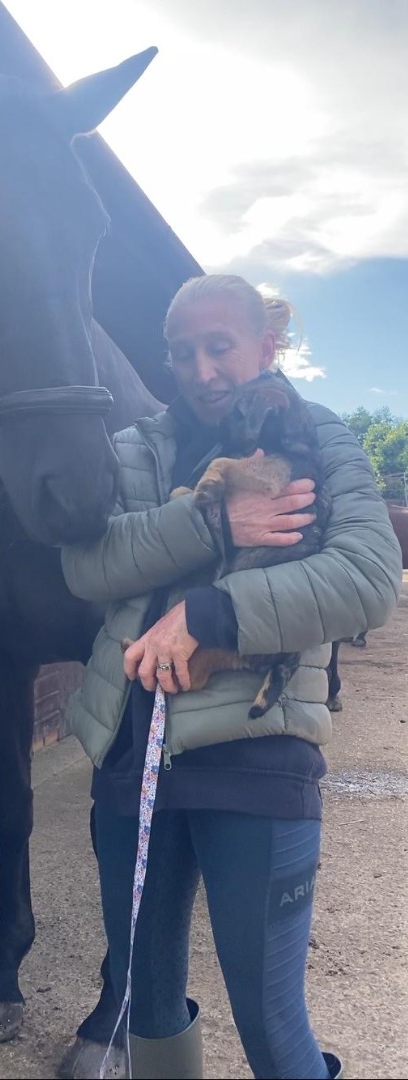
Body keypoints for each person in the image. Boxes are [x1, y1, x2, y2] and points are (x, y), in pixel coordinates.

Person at [59, 274, 403, 1080]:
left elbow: (363, 576)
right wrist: (212, 519)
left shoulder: (319, 435)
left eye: (220, 347)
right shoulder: (137, 446)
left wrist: (211, 614)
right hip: (131, 761)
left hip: (255, 757)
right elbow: (87, 563)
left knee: (269, 1020)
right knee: (144, 1002)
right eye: (183, 353)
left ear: (264, 347)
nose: (202, 370)